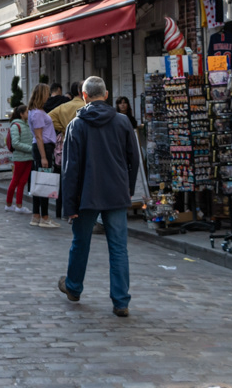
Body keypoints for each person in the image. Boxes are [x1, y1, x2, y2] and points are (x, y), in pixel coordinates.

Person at [58, 77, 138, 315]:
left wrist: (68, 205)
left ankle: (73, 287)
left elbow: (70, 168)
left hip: (86, 194)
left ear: (84, 96)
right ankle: (121, 301)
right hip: (115, 192)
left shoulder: (77, 125)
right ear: (106, 95)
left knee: (81, 242)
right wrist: (128, 189)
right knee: (118, 248)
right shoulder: (123, 122)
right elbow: (133, 159)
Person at [48, 82, 87, 220]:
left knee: (67, 178)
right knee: (82, 179)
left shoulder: (64, 107)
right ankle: (80, 211)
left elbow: (49, 118)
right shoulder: (85, 106)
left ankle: (65, 212)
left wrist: (64, 127)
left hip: (66, 143)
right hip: (84, 145)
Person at [27, 84, 60, 229]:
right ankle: (45, 217)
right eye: (46, 94)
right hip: (43, 149)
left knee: (38, 181)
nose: (48, 96)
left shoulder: (33, 111)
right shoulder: (39, 113)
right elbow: (39, 137)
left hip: (40, 148)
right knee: (45, 182)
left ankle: (36, 215)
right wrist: (44, 157)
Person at [4, 106, 33, 213]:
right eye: (27, 112)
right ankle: (9, 204)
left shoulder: (26, 125)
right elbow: (15, 143)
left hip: (29, 157)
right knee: (16, 180)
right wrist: (31, 149)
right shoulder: (15, 126)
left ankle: (19, 206)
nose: (28, 114)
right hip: (20, 158)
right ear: (21, 114)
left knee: (22, 182)